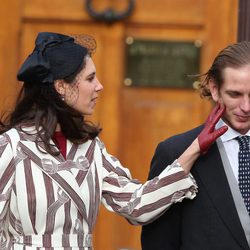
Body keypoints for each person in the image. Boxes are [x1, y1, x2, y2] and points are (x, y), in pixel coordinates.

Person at [0, 32, 227, 250]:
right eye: (90, 78)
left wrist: (195, 147)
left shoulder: (90, 149)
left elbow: (138, 206)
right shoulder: (10, 146)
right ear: (61, 87)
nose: (99, 86)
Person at [141, 41, 250, 250]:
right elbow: (159, 243)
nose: (246, 107)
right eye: (235, 94)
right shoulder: (175, 152)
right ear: (215, 90)